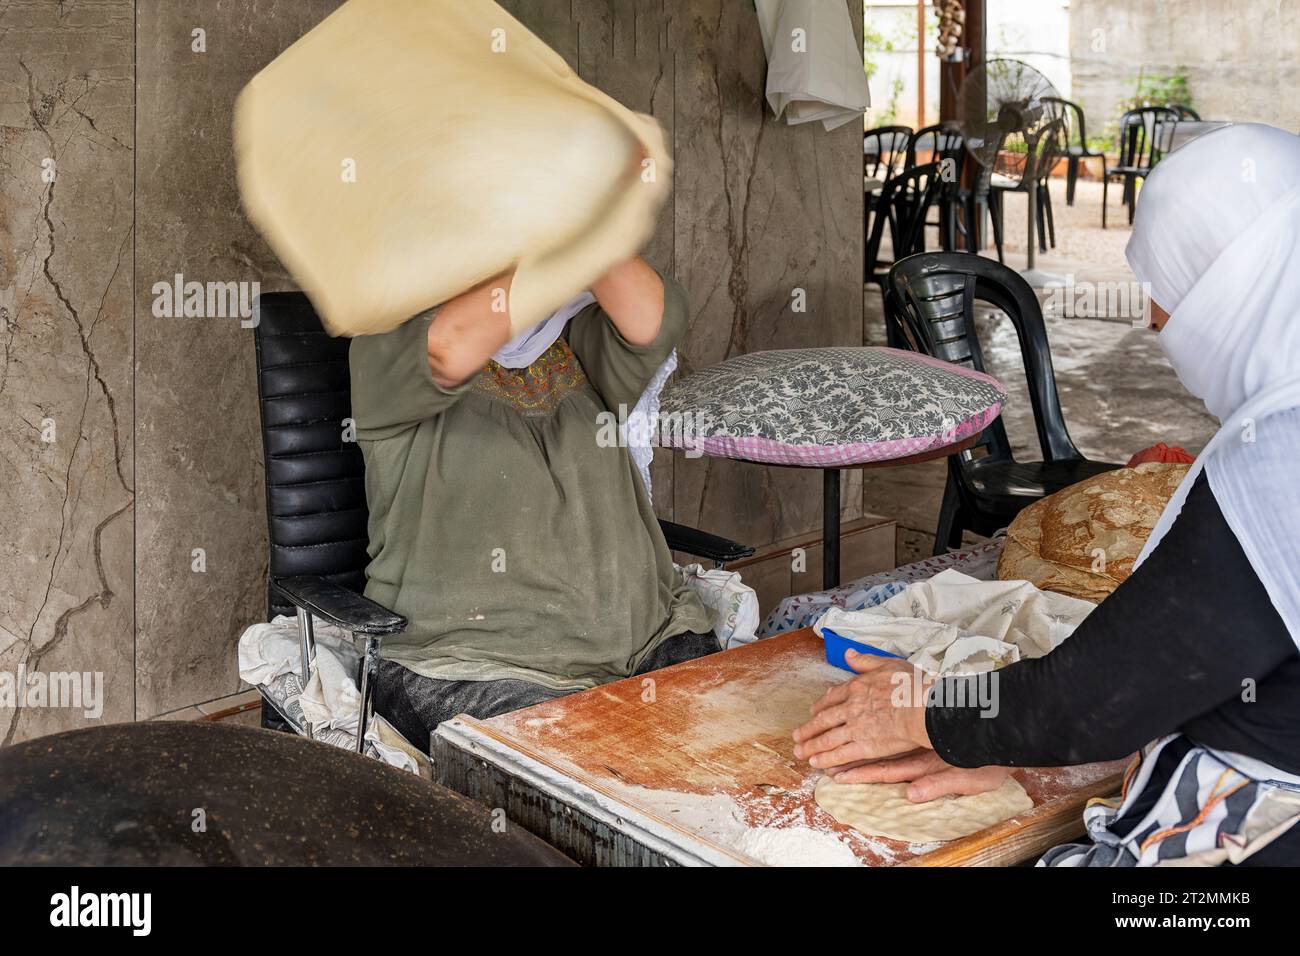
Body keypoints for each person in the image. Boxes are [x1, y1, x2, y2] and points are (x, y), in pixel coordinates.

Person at [793, 123, 1300, 866]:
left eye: (1168, 297)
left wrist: (933, 712)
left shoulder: (1278, 465)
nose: (1157, 325)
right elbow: (1201, 668)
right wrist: (1012, 741)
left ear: (1232, 289)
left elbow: (1095, 696)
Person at [348, 255, 716, 752]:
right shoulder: (388, 339)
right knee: (590, 794)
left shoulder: (572, 334)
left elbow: (655, 318)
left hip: (653, 640)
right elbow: (449, 347)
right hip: (469, 668)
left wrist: (583, 226)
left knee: (733, 763)